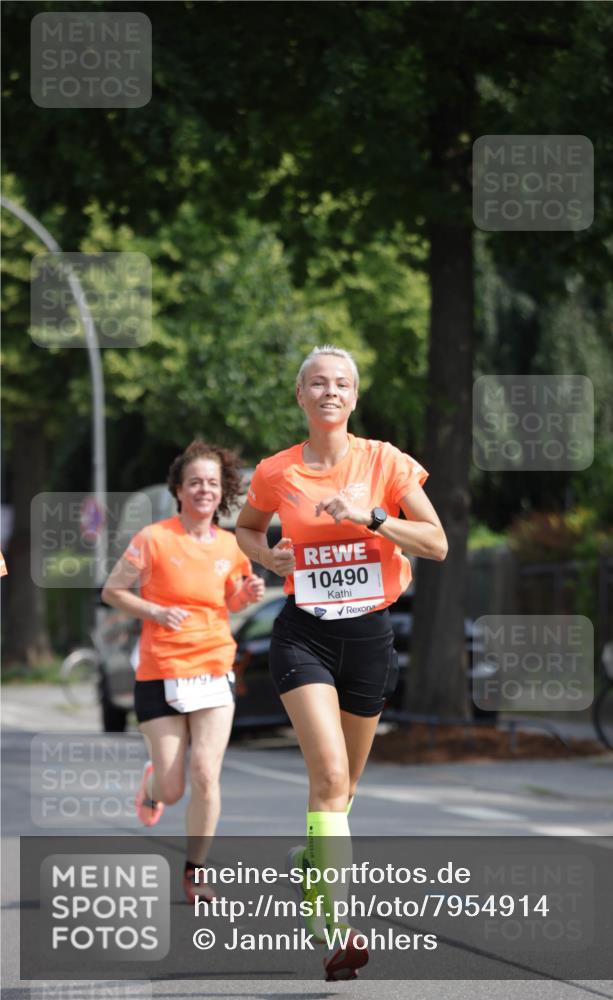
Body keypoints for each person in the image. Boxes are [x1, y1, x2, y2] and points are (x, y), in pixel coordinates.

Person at [236, 345, 447, 980]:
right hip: (303, 635)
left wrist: (374, 518)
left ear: (354, 399)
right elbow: (247, 528)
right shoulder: (277, 471)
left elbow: (435, 543)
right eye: (318, 383)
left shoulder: (384, 462)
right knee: (327, 779)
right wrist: (266, 557)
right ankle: (337, 930)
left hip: (369, 638)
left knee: (345, 790)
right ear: (300, 396)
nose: (330, 392)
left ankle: (312, 867)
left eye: (342, 384)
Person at [102, 440, 265, 903]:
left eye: (212, 483)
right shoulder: (153, 539)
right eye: (194, 482)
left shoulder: (233, 547)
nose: (204, 490)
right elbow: (114, 592)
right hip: (161, 670)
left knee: (206, 775)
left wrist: (246, 596)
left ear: (222, 491)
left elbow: (230, 600)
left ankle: (195, 872)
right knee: (173, 789)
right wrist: (153, 610)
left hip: (214, 667)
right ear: (178, 489)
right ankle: (154, 782)